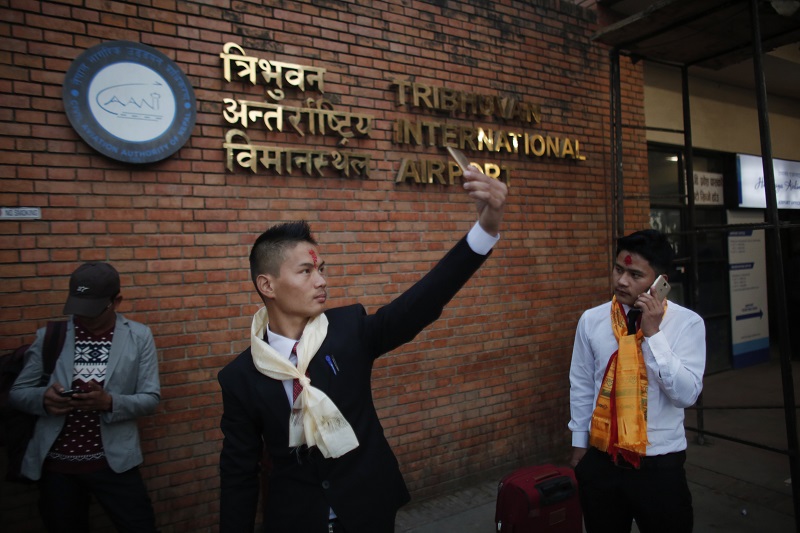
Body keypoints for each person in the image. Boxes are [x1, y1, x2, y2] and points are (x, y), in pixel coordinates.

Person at [218, 167, 508, 533]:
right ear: (268, 285)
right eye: (306, 271)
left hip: (370, 510)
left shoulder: (349, 329)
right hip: (298, 520)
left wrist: (485, 229)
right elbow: (238, 474)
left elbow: (422, 301)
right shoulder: (240, 377)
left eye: (321, 269)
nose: (321, 280)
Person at [568, 229, 706, 533]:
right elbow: (580, 383)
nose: (622, 281)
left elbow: (686, 395)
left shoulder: (687, 324)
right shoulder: (592, 320)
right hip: (603, 458)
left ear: (660, 283)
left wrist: (654, 334)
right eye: (619, 269)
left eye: (635, 274)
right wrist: (580, 442)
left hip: (659, 464)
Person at [9, 262, 160, 532]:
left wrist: (110, 402)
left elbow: (150, 398)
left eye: (92, 311)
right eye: (78, 309)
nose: (84, 318)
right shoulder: (50, 337)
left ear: (116, 301)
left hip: (114, 463)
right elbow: (18, 394)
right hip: (57, 467)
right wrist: (45, 398)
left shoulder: (138, 337)